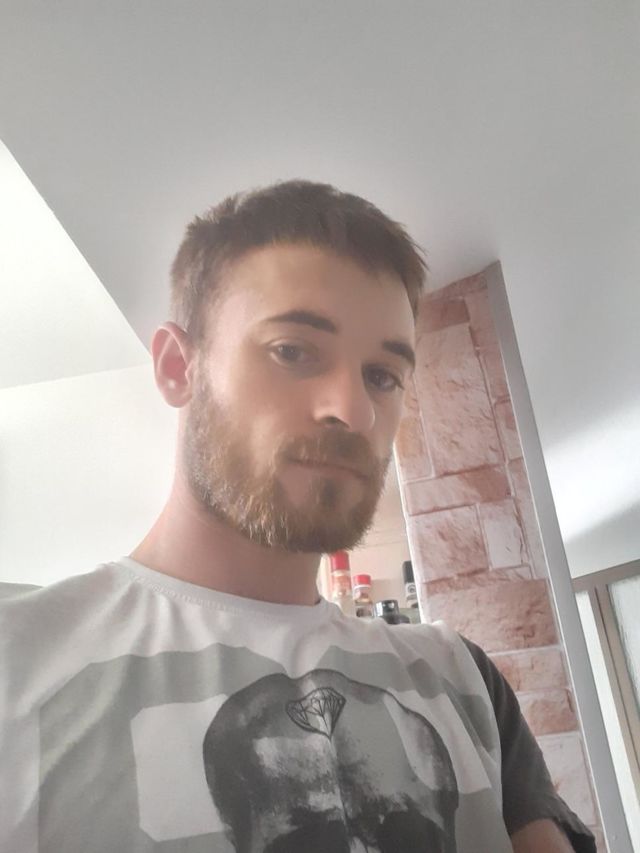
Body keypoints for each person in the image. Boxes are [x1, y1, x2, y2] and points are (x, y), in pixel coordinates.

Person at [0, 180, 595, 853]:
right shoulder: (19, 659)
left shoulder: (462, 679)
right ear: (177, 367)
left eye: (382, 375)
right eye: (293, 350)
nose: (355, 411)